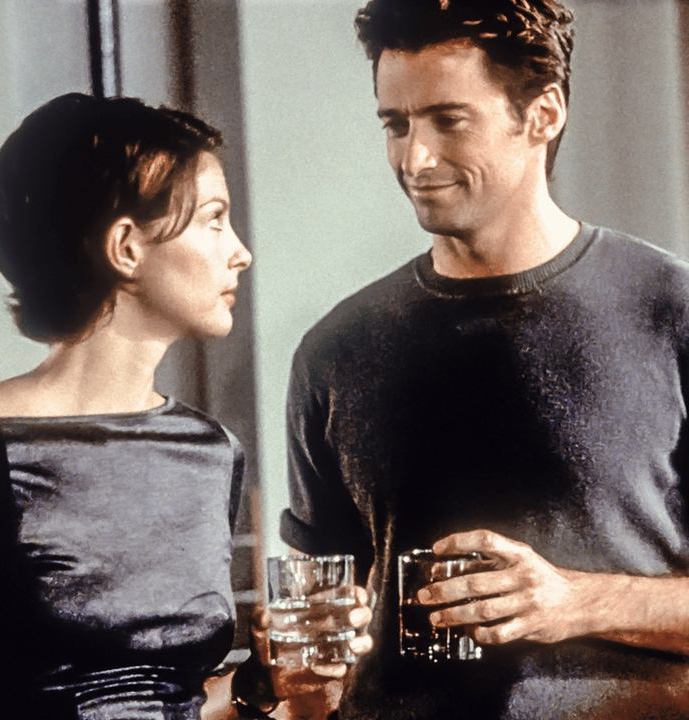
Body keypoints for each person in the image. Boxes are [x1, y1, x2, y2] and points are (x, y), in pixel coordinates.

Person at [0, 92, 370, 720]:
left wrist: (262, 683)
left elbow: (173, 702)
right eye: (214, 219)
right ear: (126, 247)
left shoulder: (209, 451)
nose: (240, 251)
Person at [280, 0, 689, 717]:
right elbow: (315, 646)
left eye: (448, 120)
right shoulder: (335, 350)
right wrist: (299, 669)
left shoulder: (671, 311)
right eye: (396, 125)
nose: (414, 159)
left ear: (543, 114)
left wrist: (575, 601)